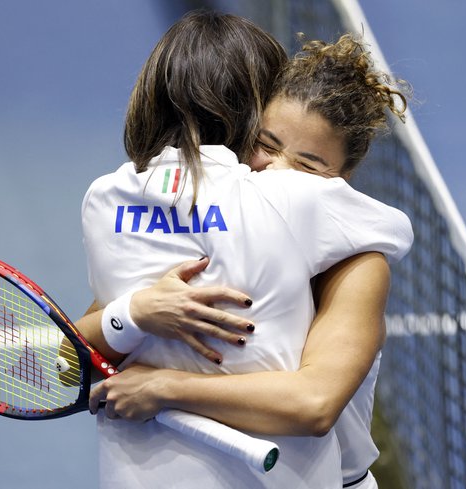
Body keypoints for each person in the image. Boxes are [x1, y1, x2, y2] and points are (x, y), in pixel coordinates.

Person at [80, 12, 412, 489]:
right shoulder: (213, 219)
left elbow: (314, 403)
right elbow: (75, 351)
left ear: (342, 187)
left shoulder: (357, 260)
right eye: (266, 145)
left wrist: (166, 388)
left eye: (307, 165)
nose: (277, 172)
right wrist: (136, 311)